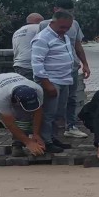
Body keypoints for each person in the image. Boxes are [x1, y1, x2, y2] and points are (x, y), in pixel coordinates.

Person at [38, 0, 90, 139]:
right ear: (55, 10)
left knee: (70, 99)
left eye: (70, 12)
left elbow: (77, 45)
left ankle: (70, 126)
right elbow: (38, 53)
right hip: (52, 72)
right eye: (64, 11)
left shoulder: (74, 24)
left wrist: (85, 63)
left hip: (70, 69)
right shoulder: (44, 25)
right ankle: (47, 137)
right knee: (51, 105)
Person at [31, 9, 76, 154]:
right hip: (51, 80)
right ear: (52, 23)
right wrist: (46, 83)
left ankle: (53, 137)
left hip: (64, 79)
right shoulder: (42, 38)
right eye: (62, 27)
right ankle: (46, 141)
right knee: (48, 113)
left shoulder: (65, 37)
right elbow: (36, 63)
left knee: (59, 113)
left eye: (67, 28)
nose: (64, 30)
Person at [12, 13, 44, 78]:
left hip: (19, 65)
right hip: (31, 66)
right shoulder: (38, 28)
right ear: (40, 21)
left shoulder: (17, 31)